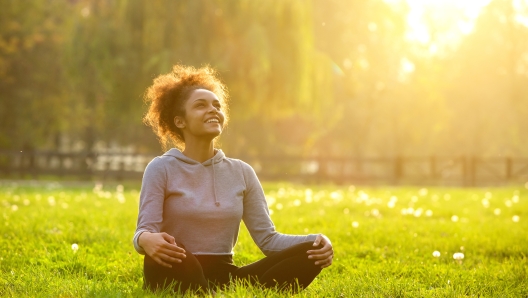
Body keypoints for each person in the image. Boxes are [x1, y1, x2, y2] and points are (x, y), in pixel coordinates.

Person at [133, 64, 333, 294]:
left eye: (216, 105)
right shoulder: (161, 168)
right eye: (201, 106)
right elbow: (144, 231)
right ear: (180, 121)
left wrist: (318, 240)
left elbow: (268, 239)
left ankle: (208, 292)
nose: (212, 110)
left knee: (310, 251)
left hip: (224, 275)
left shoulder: (242, 172)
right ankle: (202, 291)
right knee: (178, 253)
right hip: (174, 266)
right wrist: (145, 240)